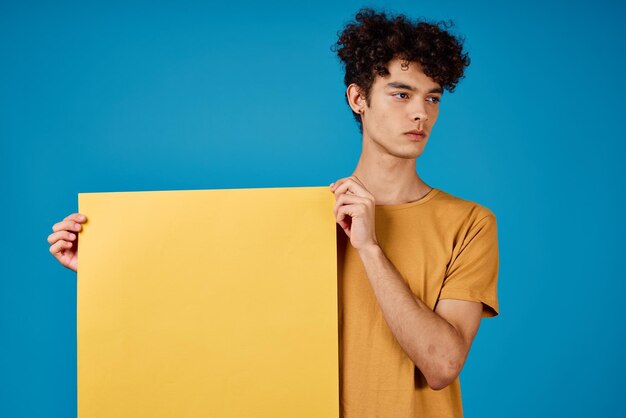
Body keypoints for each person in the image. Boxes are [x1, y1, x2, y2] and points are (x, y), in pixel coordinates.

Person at [48, 7, 499, 417]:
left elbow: (442, 364)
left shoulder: (469, 223)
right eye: (401, 95)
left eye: (433, 98)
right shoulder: (298, 219)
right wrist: (104, 274)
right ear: (358, 99)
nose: (420, 113)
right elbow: (212, 318)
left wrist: (369, 247)